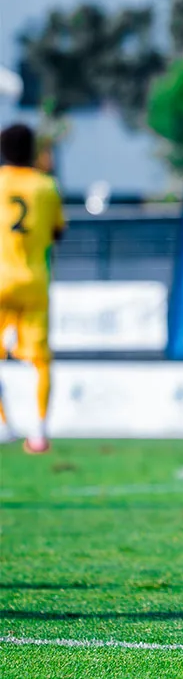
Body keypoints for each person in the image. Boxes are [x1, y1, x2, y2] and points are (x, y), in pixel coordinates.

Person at [0, 123, 64, 454]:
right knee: (40, 361)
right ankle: (38, 432)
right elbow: (57, 233)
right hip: (35, 281)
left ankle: (2, 425)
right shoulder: (46, 186)